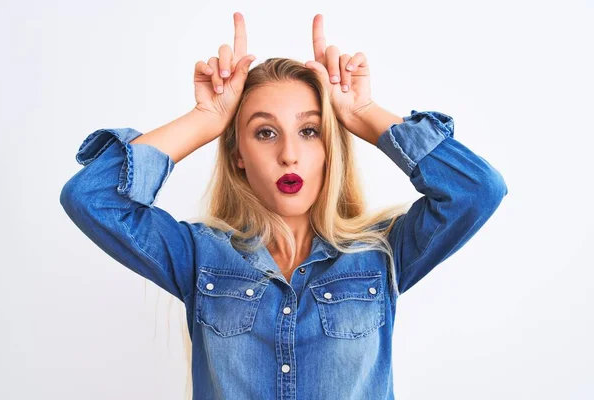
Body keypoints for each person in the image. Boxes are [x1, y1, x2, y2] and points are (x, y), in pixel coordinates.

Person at [60, 12, 508, 400]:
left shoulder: (383, 253)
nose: (289, 154)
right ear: (239, 154)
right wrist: (207, 119)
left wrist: (364, 112)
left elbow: (476, 189)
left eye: (310, 131)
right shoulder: (198, 256)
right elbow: (92, 197)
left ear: (330, 148)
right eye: (265, 132)